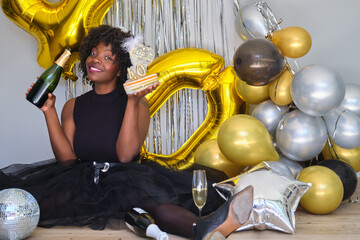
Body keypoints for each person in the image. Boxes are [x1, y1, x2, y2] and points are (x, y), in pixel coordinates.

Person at [0, 25, 253, 239]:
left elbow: (124, 155)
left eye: (107, 57)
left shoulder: (138, 104)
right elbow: (67, 160)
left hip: (125, 179)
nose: (95, 60)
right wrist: (48, 111)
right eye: (93, 53)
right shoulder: (72, 106)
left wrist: (132, 102)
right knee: (37, 203)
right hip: (82, 180)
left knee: (155, 206)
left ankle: (207, 228)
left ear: (120, 69)